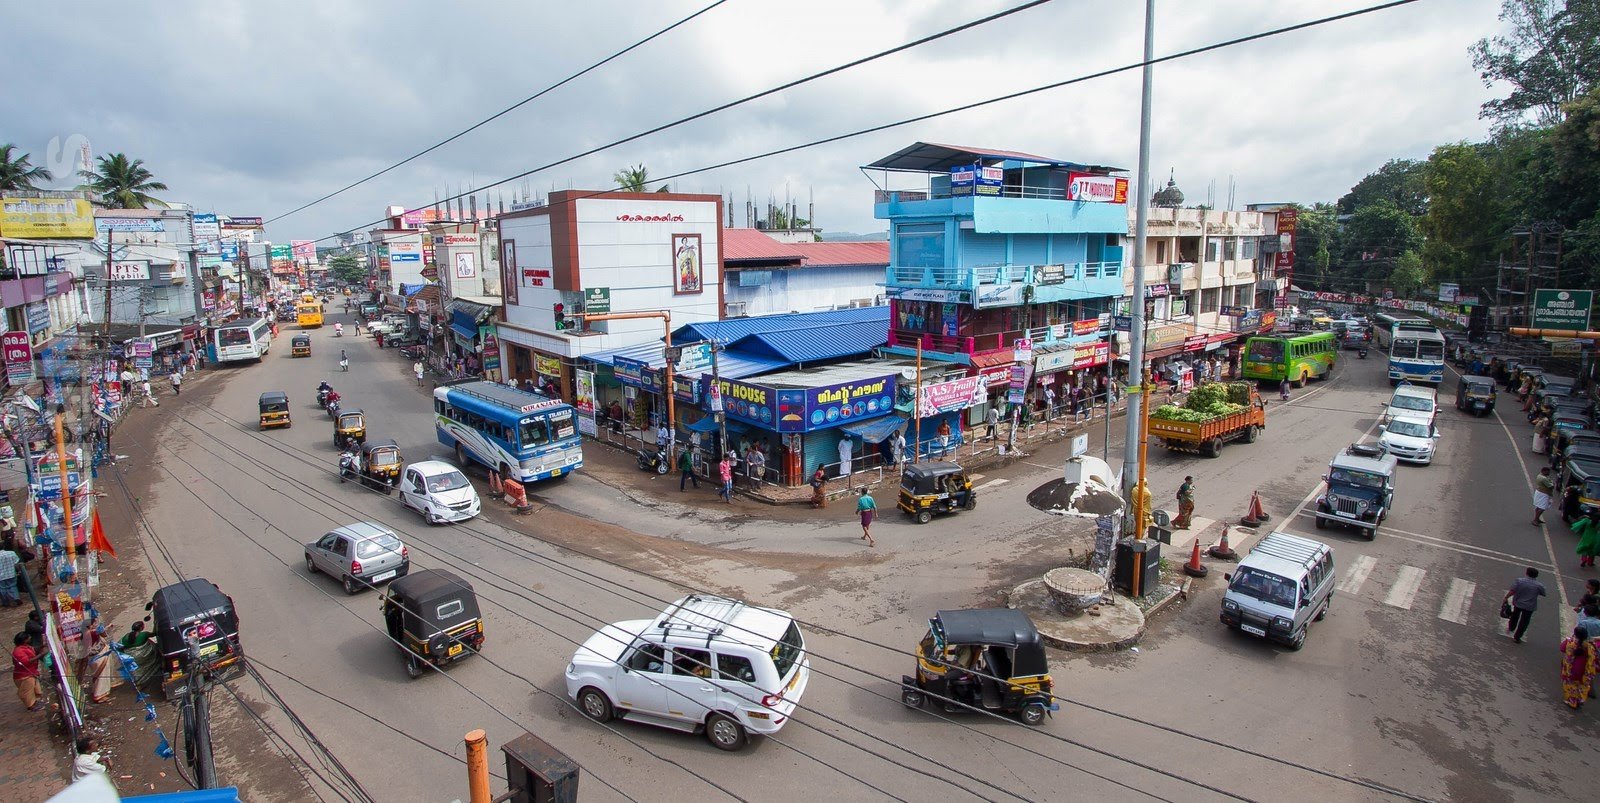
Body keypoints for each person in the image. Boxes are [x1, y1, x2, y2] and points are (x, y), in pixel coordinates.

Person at [1504, 567, 1547, 644]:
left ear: (1526, 573)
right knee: (1524, 622)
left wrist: (1506, 597)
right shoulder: (1539, 585)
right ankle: (1517, 637)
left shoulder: (1519, 581)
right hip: (1529, 606)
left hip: (1518, 603)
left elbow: (1512, 590)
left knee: (1514, 616)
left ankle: (1511, 627)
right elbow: (1543, 593)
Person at [1559, 627, 1593, 710]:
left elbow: (1562, 648)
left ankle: (1572, 702)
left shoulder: (1569, 642)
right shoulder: (1589, 646)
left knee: (1571, 685)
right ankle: (1579, 699)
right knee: (1581, 685)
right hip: (1584, 670)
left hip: (1570, 669)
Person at [12, 631, 42, 711]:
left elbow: (33, 649)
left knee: (34, 689)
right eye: (29, 637)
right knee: (28, 692)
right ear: (24, 640)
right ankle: (31, 706)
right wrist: (40, 655)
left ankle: (35, 702)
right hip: (24, 675)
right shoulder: (18, 651)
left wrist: (42, 647)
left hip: (31, 672)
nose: (30, 638)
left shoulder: (26, 647)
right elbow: (26, 662)